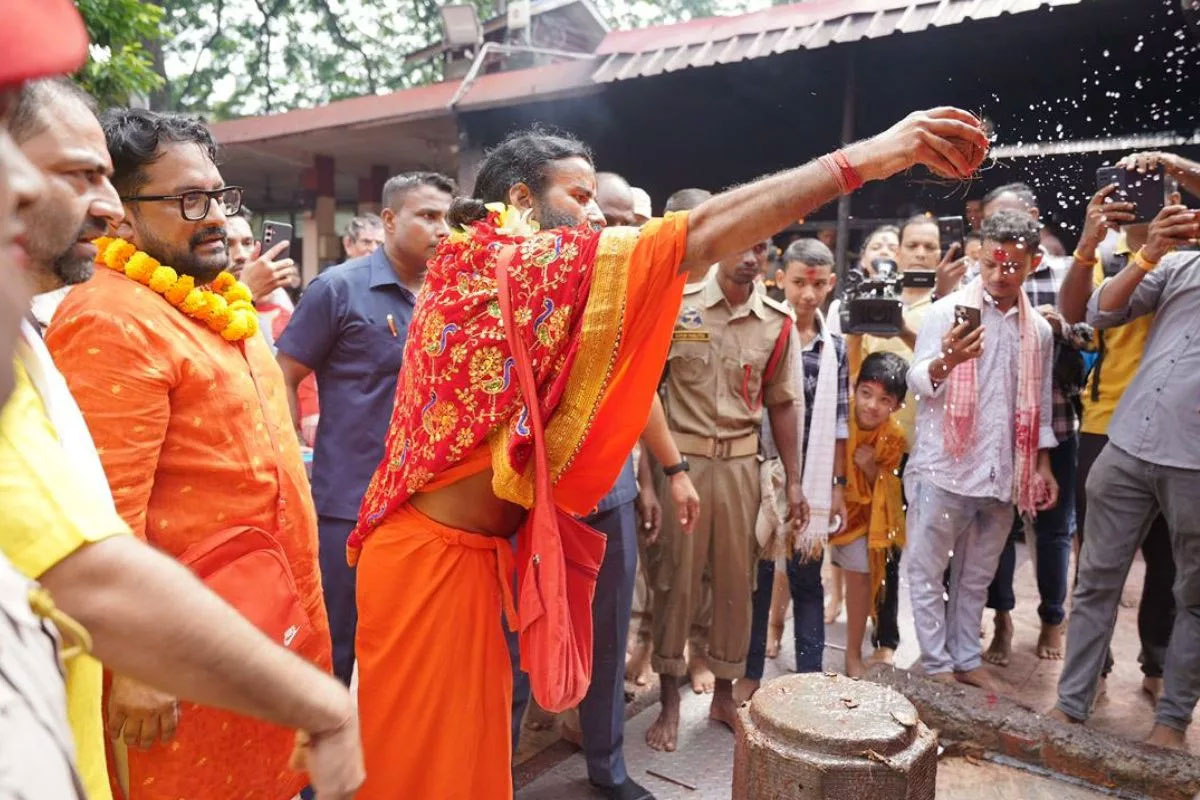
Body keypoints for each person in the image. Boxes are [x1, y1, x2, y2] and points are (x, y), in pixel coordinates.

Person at [348, 112, 990, 798]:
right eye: (580, 196)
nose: (595, 216)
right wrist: (868, 158)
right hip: (429, 571)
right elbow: (701, 232)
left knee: (467, 777)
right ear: (521, 204)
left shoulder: (504, 271)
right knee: (418, 781)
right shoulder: (514, 263)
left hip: (463, 564)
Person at [0, 15, 363, 800]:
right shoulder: (111, 315)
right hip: (176, 667)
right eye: (189, 200)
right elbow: (106, 515)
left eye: (219, 195)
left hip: (258, 627)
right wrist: (135, 669)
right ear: (129, 217)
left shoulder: (210, 306)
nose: (221, 219)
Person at [511, 170, 699, 800]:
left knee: (608, 633)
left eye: (625, 221)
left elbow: (640, 394)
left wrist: (667, 474)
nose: (612, 228)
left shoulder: (632, 292)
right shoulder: (534, 281)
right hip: (528, 502)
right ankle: (494, 771)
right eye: (601, 215)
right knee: (517, 634)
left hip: (610, 496)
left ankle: (607, 769)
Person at [275, 171, 455, 687]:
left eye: (447, 218)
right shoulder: (339, 288)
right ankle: (324, 763)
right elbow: (283, 376)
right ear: (391, 219)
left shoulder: (453, 294)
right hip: (351, 504)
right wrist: (293, 464)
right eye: (427, 216)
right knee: (339, 642)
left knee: (413, 645)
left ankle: (393, 760)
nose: (442, 230)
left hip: (429, 505)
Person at [1051, 189, 1200, 751]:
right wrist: (1144, 254)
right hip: (1126, 444)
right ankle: (1071, 705)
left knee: (1191, 595)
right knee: (1094, 581)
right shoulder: (1180, 264)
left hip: (1195, 463)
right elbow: (1098, 312)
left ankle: (1172, 721)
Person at [647, 235, 804, 751]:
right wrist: (652, 479)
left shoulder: (777, 323)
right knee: (676, 577)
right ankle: (669, 697)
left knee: (739, 583)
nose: (749, 257)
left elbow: (784, 405)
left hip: (741, 465)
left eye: (760, 248)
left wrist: (796, 481)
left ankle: (723, 693)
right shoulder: (679, 309)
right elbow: (645, 394)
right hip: (683, 466)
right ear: (717, 250)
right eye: (739, 245)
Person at [905, 209, 1058, 691]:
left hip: (1001, 474)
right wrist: (948, 358)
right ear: (979, 256)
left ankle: (966, 657)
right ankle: (934, 663)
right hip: (943, 468)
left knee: (976, 578)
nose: (998, 275)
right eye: (990, 264)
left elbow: (1043, 407)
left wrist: (1041, 466)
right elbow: (916, 380)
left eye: (1011, 265)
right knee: (926, 572)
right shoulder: (944, 312)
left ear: (1032, 262)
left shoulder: (1040, 332)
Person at [974, 182, 1094, 667]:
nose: (1005, 234)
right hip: (996, 426)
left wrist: (1056, 326)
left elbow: (1093, 333)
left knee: (1053, 530)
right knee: (997, 529)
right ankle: (1001, 619)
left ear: (1034, 217)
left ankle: (1052, 616)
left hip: (1057, 422)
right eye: (992, 225)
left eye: (1013, 221)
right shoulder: (979, 273)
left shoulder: (1065, 271)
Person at [742, 238, 849, 697]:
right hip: (764, 474)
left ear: (831, 284)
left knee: (807, 576)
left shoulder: (836, 348)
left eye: (818, 284)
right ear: (780, 279)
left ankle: (809, 680)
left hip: (815, 477)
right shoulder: (763, 330)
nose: (808, 294)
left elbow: (841, 419)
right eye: (800, 282)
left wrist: (838, 484)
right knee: (758, 579)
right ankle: (748, 677)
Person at [828, 351, 908, 678]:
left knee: (861, 579)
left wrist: (872, 467)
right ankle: (776, 628)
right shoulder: (838, 421)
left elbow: (891, 491)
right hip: (828, 506)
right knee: (788, 572)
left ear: (897, 406)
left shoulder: (894, 438)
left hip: (865, 521)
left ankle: (852, 654)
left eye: (883, 399)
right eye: (866, 394)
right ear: (854, 389)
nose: (872, 405)